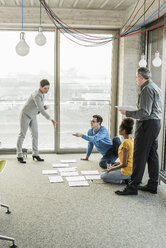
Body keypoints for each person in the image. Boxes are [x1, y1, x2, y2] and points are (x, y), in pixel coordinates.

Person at [115, 67, 162, 195]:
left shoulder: (147, 89)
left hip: (147, 124)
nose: (136, 80)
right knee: (152, 155)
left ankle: (132, 187)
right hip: (155, 123)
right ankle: (152, 185)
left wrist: (127, 112)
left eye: (136, 77)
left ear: (141, 77)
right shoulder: (155, 87)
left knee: (139, 155)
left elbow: (144, 112)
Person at [17, 79, 56, 163]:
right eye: (45, 88)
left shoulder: (42, 94)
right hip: (25, 115)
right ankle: (19, 155)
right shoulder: (37, 94)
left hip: (33, 115)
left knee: (35, 134)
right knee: (22, 135)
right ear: (40, 87)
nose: (47, 90)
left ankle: (35, 154)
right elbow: (41, 110)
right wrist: (51, 119)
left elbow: (39, 106)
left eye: (48, 88)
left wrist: (43, 107)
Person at [101, 118, 134, 184]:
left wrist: (111, 169)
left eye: (119, 128)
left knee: (103, 176)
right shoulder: (131, 140)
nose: (118, 130)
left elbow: (124, 164)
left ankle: (125, 181)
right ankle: (126, 178)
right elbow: (122, 162)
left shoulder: (125, 143)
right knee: (108, 171)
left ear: (124, 130)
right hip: (129, 168)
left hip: (127, 171)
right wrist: (112, 167)